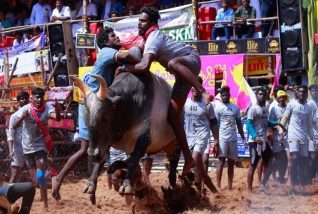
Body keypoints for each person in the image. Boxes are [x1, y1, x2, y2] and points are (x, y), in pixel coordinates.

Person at [51, 27, 140, 201]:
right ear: (106, 42)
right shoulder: (107, 52)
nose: (117, 38)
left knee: (102, 143)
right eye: (113, 36)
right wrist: (143, 53)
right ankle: (59, 178)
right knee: (87, 148)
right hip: (91, 104)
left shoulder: (109, 55)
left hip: (96, 103)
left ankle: (92, 183)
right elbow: (130, 57)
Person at [123, 7, 211, 178]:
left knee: (171, 64)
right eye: (139, 20)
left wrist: (124, 67)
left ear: (152, 23)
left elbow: (143, 66)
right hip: (182, 76)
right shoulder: (147, 39)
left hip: (190, 60)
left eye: (143, 20)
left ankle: (203, 91)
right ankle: (188, 158)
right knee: (172, 115)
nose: (138, 23)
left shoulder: (154, 37)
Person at [13, 88, 61, 209]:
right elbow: (14, 126)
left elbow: (58, 118)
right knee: (36, 181)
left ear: (43, 98)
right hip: (27, 147)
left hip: (40, 145)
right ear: (32, 99)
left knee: (41, 176)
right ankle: (54, 180)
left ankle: (46, 205)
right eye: (36, 97)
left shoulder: (48, 108)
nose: (39, 99)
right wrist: (22, 117)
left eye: (41, 97)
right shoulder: (26, 109)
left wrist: (58, 110)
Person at [246, 87, 286, 192]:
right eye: (260, 94)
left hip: (264, 140)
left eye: (264, 94)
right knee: (253, 165)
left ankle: (263, 184)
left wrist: (277, 123)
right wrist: (255, 136)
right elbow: (249, 125)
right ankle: (249, 190)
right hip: (255, 141)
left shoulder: (265, 109)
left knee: (271, 161)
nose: (262, 96)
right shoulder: (253, 109)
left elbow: (266, 123)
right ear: (256, 96)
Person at [184, 76, 219, 193]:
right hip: (188, 137)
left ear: (201, 88)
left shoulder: (207, 104)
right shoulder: (185, 102)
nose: (194, 88)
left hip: (202, 136)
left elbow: (214, 123)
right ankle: (213, 191)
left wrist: (217, 141)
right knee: (200, 168)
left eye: (197, 86)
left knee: (194, 159)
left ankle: (195, 187)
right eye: (192, 86)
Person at [280, 85, 315, 193]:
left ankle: (302, 185)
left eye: (304, 92)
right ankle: (292, 186)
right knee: (294, 158)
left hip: (304, 137)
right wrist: (281, 133)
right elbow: (284, 120)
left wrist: (313, 138)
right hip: (293, 136)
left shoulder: (309, 108)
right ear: (297, 93)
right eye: (300, 92)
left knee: (303, 161)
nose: (302, 93)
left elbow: (309, 126)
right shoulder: (291, 105)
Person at [213, 86, 245, 190]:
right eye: (223, 95)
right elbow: (216, 125)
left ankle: (230, 186)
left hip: (233, 139)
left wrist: (243, 138)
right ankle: (218, 186)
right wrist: (216, 140)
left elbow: (239, 124)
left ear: (230, 95)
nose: (225, 97)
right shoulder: (217, 107)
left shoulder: (235, 108)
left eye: (226, 95)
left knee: (231, 163)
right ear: (221, 96)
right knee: (221, 162)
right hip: (222, 138)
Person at [8, 91, 30, 183]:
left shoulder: (32, 114)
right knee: (15, 173)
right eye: (22, 99)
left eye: (26, 98)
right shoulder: (14, 116)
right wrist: (10, 151)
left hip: (30, 146)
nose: (24, 100)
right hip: (18, 147)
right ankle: (6, 195)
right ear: (19, 101)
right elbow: (10, 134)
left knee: (35, 171)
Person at [269, 90, 289, 184]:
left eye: (283, 97)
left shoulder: (289, 108)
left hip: (288, 136)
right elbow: (271, 124)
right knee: (277, 158)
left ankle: (284, 177)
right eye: (280, 97)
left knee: (287, 158)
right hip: (277, 136)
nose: (282, 99)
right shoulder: (274, 109)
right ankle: (274, 177)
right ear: (277, 98)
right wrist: (272, 138)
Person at [307, 84, 318, 184]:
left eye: (316, 90)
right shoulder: (310, 104)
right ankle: (310, 175)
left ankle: (317, 175)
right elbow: (309, 120)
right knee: (313, 156)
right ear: (310, 92)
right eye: (312, 91)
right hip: (313, 133)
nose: (314, 92)